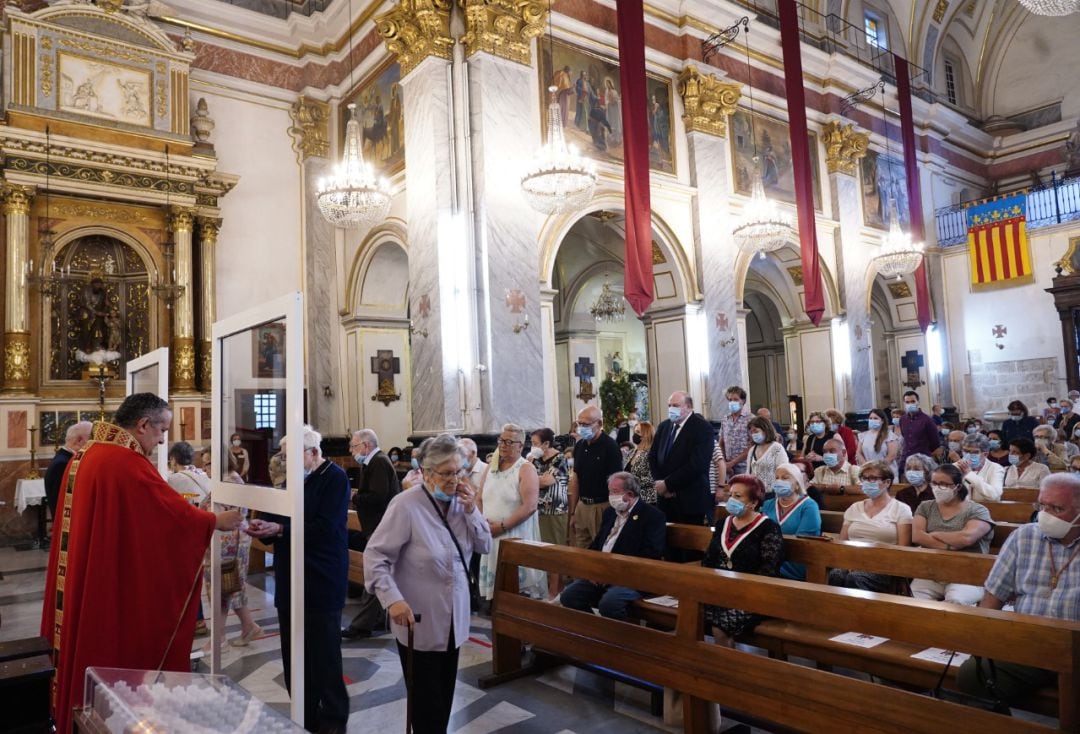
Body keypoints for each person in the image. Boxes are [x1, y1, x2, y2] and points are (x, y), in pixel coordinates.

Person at [40, 394, 241, 734]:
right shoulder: (124, 462)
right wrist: (213, 522)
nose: (163, 439)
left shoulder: (88, 454)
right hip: (107, 590)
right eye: (161, 430)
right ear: (143, 424)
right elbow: (169, 516)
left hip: (86, 577)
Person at [364, 434, 492, 734]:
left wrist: (473, 509)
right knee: (425, 703)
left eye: (459, 471)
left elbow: (485, 545)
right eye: (447, 474)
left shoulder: (463, 503)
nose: (455, 480)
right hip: (417, 618)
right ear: (426, 473)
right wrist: (391, 599)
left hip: (454, 619)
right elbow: (376, 556)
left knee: (444, 697)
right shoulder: (406, 506)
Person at [245, 426, 349, 734]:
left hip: (321, 577)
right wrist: (265, 526)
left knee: (324, 657)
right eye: (284, 457)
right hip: (290, 577)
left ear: (313, 454)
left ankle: (332, 723)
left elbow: (324, 528)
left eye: (291, 458)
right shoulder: (292, 481)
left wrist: (278, 531)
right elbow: (281, 522)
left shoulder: (335, 479)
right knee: (294, 654)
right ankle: (305, 719)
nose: (285, 463)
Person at [957, 474, 1080, 704]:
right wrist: (984, 643)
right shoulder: (1024, 537)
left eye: (1057, 508)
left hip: (1076, 645)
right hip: (1029, 642)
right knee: (974, 675)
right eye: (1042, 505)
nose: (1046, 515)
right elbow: (994, 596)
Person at [559, 472, 666, 619]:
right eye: (609, 491)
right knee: (569, 596)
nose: (611, 496)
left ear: (630, 493)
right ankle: (594, 634)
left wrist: (612, 573)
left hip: (632, 577)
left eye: (615, 492)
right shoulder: (610, 512)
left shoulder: (652, 516)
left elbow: (650, 554)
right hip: (602, 573)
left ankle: (624, 640)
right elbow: (597, 544)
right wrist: (592, 569)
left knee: (610, 603)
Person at [702, 475, 783, 646]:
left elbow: (769, 570)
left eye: (738, 497)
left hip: (752, 595)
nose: (732, 500)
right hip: (718, 590)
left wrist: (739, 591)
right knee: (691, 611)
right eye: (730, 495)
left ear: (753, 502)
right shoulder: (723, 523)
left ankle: (727, 671)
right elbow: (709, 559)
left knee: (720, 625)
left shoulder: (768, 528)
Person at [342, 429, 400, 639]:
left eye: (354, 446)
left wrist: (354, 497)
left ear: (366, 446)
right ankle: (375, 620)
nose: (351, 451)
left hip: (381, 528)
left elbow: (377, 497)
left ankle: (361, 625)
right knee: (376, 574)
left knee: (375, 575)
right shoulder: (372, 463)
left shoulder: (379, 462)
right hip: (375, 528)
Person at [477, 423, 546, 600]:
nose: (503, 445)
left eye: (509, 442)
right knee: (496, 596)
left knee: (516, 593)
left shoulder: (525, 468)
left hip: (514, 534)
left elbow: (529, 506)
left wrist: (502, 526)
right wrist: (481, 522)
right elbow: (479, 497)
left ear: (521, 446)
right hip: (490, 534)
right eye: (501, 440)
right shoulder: (490, 467)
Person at [910, 464, 995, 605]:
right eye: (935, 483)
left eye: (944, 484)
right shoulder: (925, 506)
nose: (938, 488)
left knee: (956, 601)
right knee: (913, 601)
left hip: (968, 574)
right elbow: (917, 536)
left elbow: (967, 538)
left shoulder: (977, 510)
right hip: (932, 572)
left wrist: (935, 534)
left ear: (958, 486)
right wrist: (951, 546)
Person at [828, 461, 913, 592]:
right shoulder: (855, 507)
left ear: (887, 482)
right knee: (836, 575)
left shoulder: (901, 509)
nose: (868, 482)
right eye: (865, 478)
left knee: (855, 578)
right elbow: (842, 543)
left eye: (873, 478)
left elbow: (903, 549)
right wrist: (849, 562)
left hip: (884, 565)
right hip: (853, 560)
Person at [649, 391, 715, 526]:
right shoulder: (664, 426)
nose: (671, 409)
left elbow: (697, 464)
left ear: (689, 407)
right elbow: (653, 456)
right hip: (664, 500)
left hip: (689, 499)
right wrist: (660, 483)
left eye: (676, 405)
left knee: (687, 544)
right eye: (669, 405)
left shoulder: (702, 428)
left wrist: (668, 484)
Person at [568, 405, 623, 549]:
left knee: (601, 550)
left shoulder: (610, 447)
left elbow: (616, 482)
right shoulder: (580, 446)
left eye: (585, 424)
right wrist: (573, 512)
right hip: (582, 506)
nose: (581, 427)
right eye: (579, 423)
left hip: (601, 506)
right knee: (581, 551)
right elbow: (576, 478)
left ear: (599, 424)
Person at [760, 463, 821, 580]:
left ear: (797, 484)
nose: (779, 481)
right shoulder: (768, 504)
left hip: (794, 563)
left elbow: (804, 543)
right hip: (766, 560)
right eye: (777, 478)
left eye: (785, 478)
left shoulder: (809, 506)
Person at [529, 427, 569, 599]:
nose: (532, 447)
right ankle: (546, 590)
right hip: (537, 510)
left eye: (535, 443)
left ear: (546, 443)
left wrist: (530, 479)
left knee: (554, 553)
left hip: (555, 510)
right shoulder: (535, 460)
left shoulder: (559, 458)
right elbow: (520, 478)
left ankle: (555, 592)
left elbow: (547, 481)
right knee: (542, 552)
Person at [43, 421, 91, 518]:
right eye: (91, 439)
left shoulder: (64, 458)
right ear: (79, 440)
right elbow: (63, 500)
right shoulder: (63, 463)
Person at [955, 433, 1004, 502]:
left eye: (974, 452)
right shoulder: (955, 467)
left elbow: (994, 495)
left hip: (989, 510)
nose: (968, 455)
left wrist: (969, 474)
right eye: (966, 451)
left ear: (985, 454)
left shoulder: (996, 468)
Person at [898, 390, 941, 470]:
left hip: (922, 459)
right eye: (907, 402)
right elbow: (905, 436)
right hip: (906, 458)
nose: (910, 404)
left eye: (913, 401)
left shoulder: (927, 420)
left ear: (918, 402)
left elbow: (935, 443)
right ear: (904, 403)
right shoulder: (902, 419)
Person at [746, 416, 787, 491]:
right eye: (751, 432)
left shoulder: (777, 448)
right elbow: (748, 473)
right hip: (755, 494)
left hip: (773, 493)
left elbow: (784, 471)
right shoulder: (752, 450)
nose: (753, 434)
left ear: (765, 430)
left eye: (756, 431)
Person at [719, 386, 753, 474]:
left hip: (745, 466)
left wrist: (732, 463)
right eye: (730, 400)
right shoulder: (725, 419)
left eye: (735, 399)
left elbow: (752, 445)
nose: (732, 402)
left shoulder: (751, 419)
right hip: (728, 467)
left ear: (743, 401)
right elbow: (721, 442)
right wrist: (724, 462)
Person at [856, 408, 898, 475]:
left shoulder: (890, 435)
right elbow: (858, 453)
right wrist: (866, 466)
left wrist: (878, 469)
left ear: (882, 421)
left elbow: (892, 455)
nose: (872, 420)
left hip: (886, 472)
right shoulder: (863, 435)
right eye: (870, 418)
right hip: (868, 472)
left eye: (875, 418)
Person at [623, 420, 656, 503]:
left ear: (646, 434)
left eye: (638, 432)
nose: (634, 435)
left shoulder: (652, 453)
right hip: (632, 498)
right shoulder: (632, 452)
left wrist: (632, 482)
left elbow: (653, 478)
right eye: (634, 431)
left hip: (647, 499)